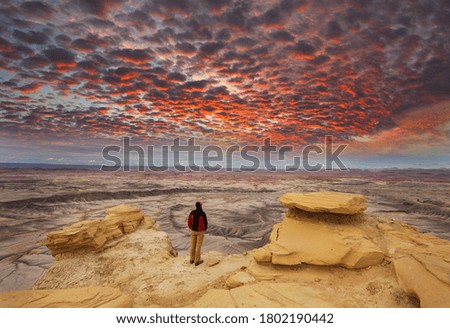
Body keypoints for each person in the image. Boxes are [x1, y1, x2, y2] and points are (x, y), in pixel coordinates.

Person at [187, 201, 208, 266]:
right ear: (200, 206)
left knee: (192, 245)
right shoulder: (202, 213)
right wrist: (204, 229)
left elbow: (189, 221)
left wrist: (191, 228)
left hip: (193, 231)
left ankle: (191, 259)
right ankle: (197, 261)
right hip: (200, 232)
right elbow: (205, 222)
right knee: (198, 246)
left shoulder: (192, 212)